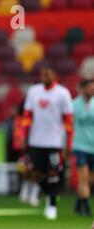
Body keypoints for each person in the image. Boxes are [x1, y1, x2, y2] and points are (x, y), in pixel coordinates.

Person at [21, 65, 74, 220]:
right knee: (36, 174)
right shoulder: (33, 91)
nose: (44, 77)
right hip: (36, 140)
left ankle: (51, 204)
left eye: (47, 74)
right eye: (42, 75)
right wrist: (23, 135)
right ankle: (48, 194)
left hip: (55, 142)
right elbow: (27, 115)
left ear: (54, 75)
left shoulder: (62, 93)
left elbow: (68, 120)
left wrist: (68, 142)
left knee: (53, 173)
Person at [72, 79, 94, 217]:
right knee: (83, 177)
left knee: (90, 179)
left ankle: (79, 201)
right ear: (83, 89)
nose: (92, 90)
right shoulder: (74, 104)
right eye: (90, 88)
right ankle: (86, 208)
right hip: (80, 145)